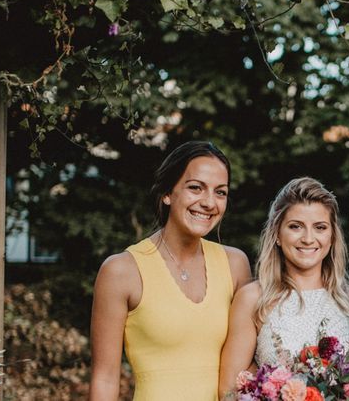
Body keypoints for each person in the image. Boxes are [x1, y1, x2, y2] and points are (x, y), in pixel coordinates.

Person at [89, 141, 251, 401]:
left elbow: (248, 366)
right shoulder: (121, 271)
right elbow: (105, 380)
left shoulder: (236, 265)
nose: (209, 202)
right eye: (195, 188)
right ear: (167, 193)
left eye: (220, 192)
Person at [219, 177, 349, 398]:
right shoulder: (253, 298)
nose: (308, 238)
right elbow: (228, 389)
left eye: (320, 227)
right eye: (295, 227)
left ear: (331, 237)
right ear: (277, 235)